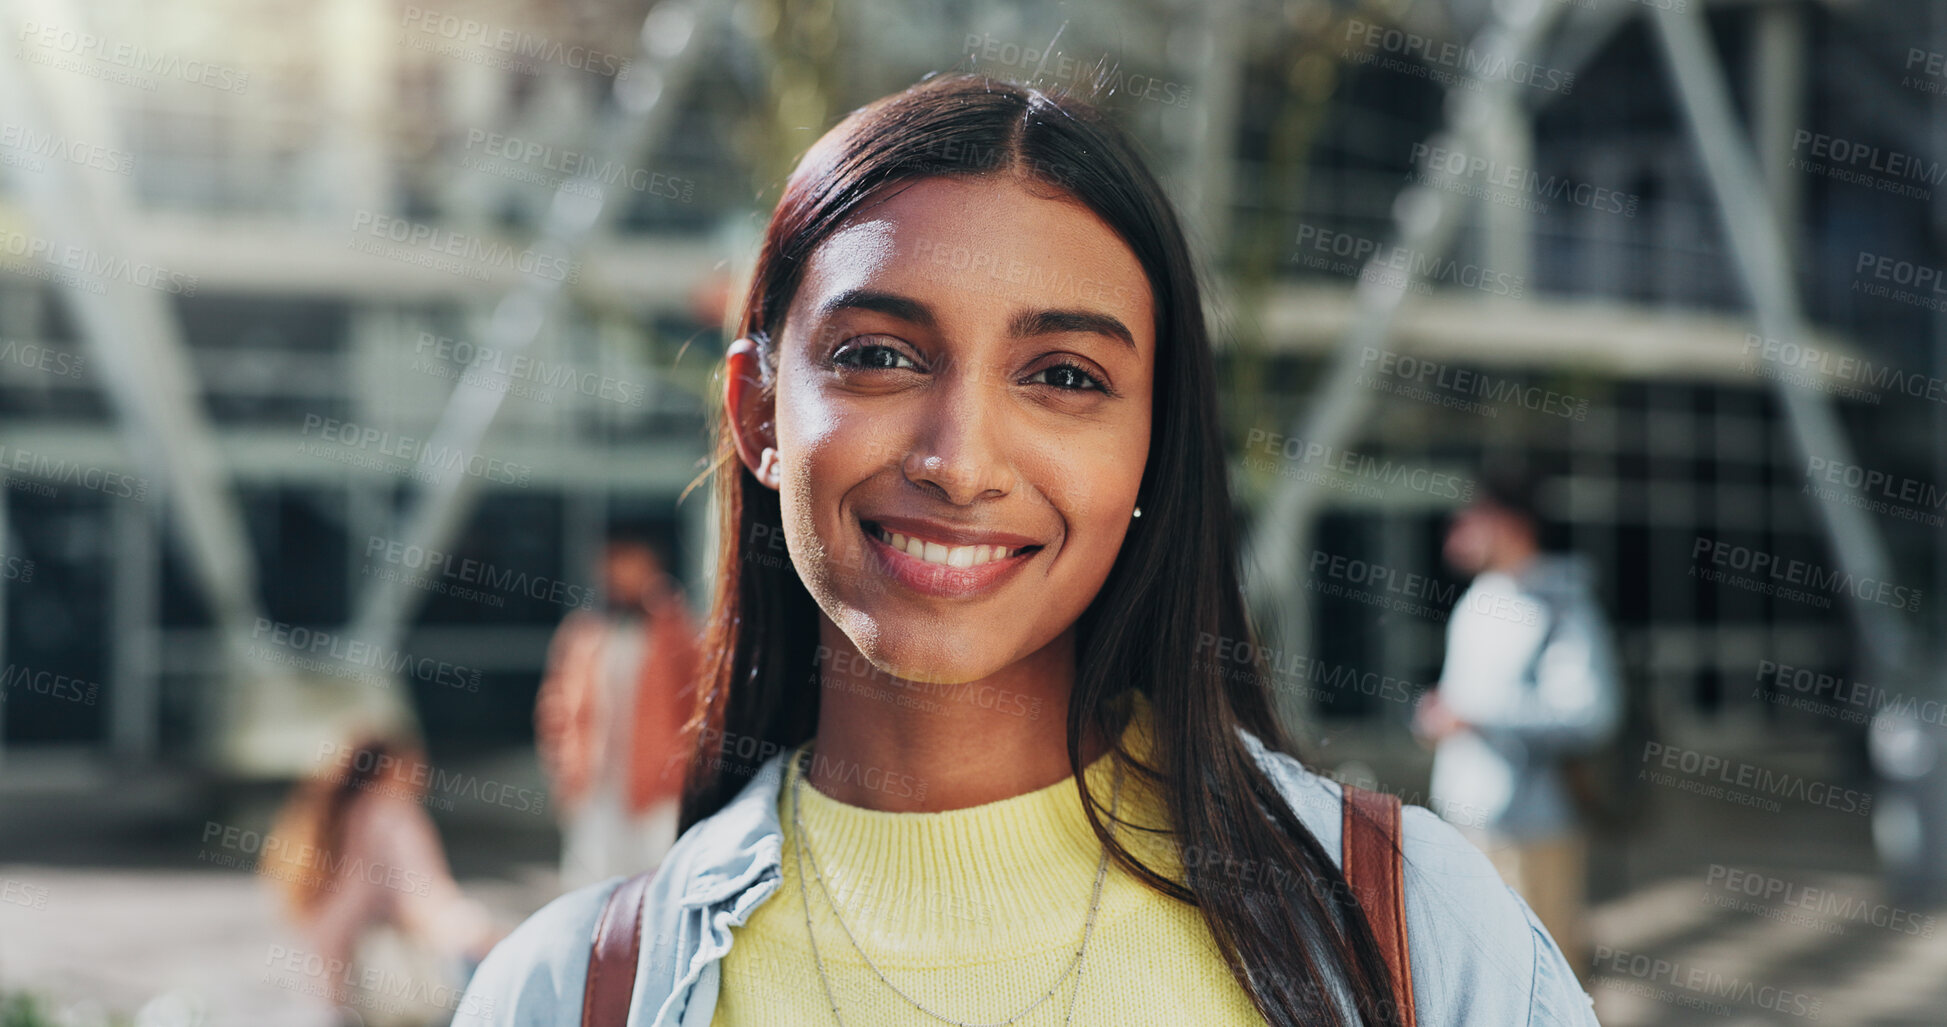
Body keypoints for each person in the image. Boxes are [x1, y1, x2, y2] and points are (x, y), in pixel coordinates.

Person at [456, 73, 1601, 1026]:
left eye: (1065, 377)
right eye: (880, 356)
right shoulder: (566, 992)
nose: (962, 462)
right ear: (757, 414)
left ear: (1155, 449)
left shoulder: (1408, 923)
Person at [1413, 465, 1622, 984]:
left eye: (1468, 520)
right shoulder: (1478, 599)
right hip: (1468, 826)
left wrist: (1476, 715)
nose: (1455, 535)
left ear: (1508, 523)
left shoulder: (1559, 602)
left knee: (1542, 979)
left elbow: (1590, 712)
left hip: (1534, 830)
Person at [260, 735, 502, 1027]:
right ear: (389, 769)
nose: (421, 776)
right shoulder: (389, 815)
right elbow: (427, 899)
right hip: (379, 999)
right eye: (413, 765)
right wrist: (489, 938)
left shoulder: (319, 824)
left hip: (323, 999)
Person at [534, 532, 701, 890]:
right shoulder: (584, 631)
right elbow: (556, 707)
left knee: (655, 884)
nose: (617, 576)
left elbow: (701, 701)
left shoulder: (675, 630)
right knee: (591, 885)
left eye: (628, 565)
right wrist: (562, 767)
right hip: (596, 783)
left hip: (655, 787)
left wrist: (683, 769)